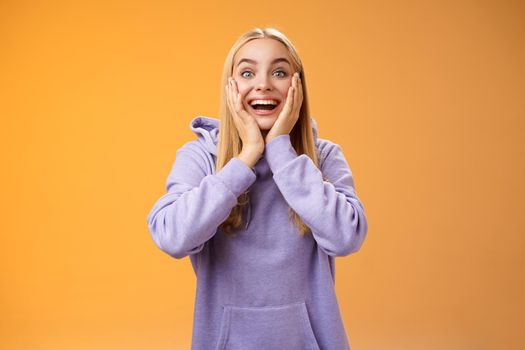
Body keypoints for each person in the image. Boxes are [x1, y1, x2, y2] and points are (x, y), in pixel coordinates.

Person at [146, 27, 368, 350]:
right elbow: (172, 237)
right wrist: (246, 157)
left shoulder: (324, 157)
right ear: (230, 87)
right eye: (248, 72)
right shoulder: (201, 157)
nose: (263, 83)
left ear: (297, 87)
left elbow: (347, 236)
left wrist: (280, 151)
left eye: (279, 71)